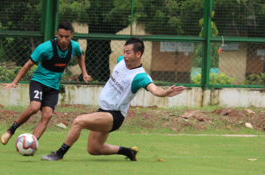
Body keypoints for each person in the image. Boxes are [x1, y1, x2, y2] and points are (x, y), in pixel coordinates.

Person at [41, 37, 185, 161]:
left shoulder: (140, 77)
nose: (125, 55)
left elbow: (155, 89)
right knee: (93, 149)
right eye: (124, 52)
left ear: (138, 54)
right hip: (103, 111)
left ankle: (59, 154)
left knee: (79, 121)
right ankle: (128, 151)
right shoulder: (121, 61)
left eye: (128, 52)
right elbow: (121, 60)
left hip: (114, 115)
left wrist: (165, 93)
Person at [1, 21, 91, 145]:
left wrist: (84, 73)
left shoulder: (74, 46)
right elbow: (28, 64)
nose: (63, 39)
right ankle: (10, 131)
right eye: (60, 36)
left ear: (72, 35)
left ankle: (31, 144)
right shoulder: (45, 48)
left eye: (67, 37)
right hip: (39, 82)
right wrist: (14, 82)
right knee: (34, 107)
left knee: (47, 115)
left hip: (53, 87)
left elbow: (80, 56)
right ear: (56, 34)